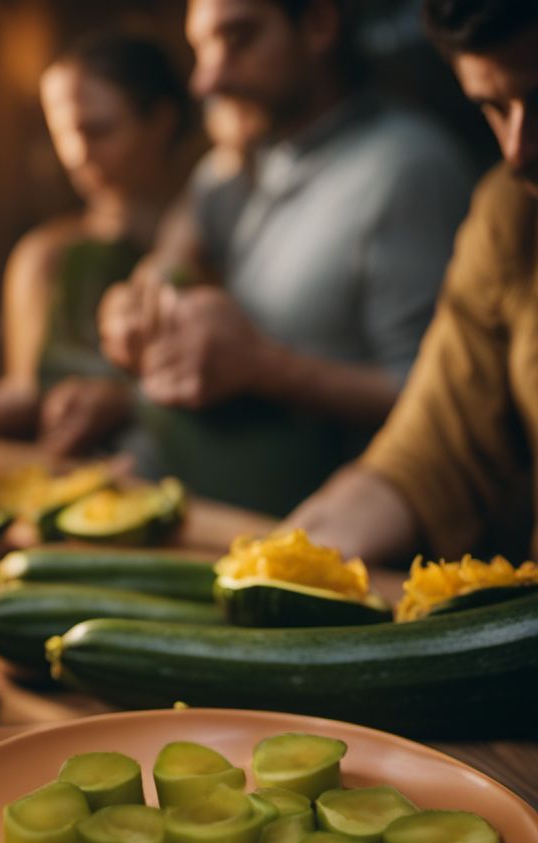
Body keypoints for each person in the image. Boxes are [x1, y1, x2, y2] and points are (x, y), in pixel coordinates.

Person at [98, 0, 474, 516]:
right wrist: (141, 301)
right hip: (171, 499)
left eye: (237, 40)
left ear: (318, 24)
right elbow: (172, 258)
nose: (206, 79)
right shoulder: (233, 169)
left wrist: (266, 368)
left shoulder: (409, 170)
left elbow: (449, 406)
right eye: (201, 48)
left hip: (315, 532)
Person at [286, 0, 538, 564]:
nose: (519, 151)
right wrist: (288, 562)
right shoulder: (512, 216)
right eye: (495, 109)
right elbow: (434, 451)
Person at [0, 32, 193, 458]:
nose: (77, 153)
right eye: (64, 133)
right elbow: (27, 384)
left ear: (161, 120)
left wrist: (125, 403)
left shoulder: (210, 242)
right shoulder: (45, 256)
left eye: (98, 130)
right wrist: (11, 404)